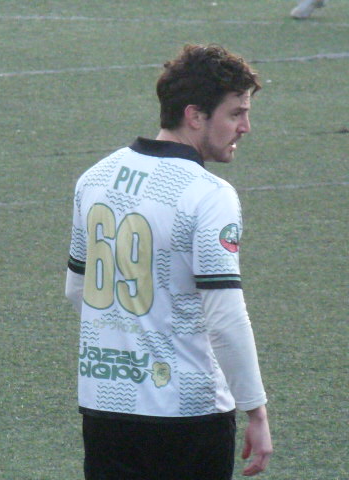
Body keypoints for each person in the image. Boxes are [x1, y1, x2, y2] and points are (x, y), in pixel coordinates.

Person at [65, 44, 273, 479]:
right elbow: (225, 318)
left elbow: (77, 290)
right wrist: (255, 409)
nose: (246, 127)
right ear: (195, 116)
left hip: (104, 406)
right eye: (236, 113)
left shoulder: (95, 178)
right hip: (186, 411)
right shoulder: (208, 195)